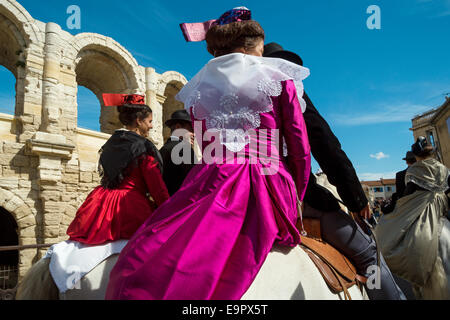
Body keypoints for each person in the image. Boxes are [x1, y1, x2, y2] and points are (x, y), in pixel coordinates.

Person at [106, 7, 311, 300]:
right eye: (262, 46)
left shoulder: (197, 87)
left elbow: (205, 144)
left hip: (210, 176)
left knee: (167, 244)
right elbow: (299, 145)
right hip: (265, 179)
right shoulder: (277, 76)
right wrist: (297, 194)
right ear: (253, 44)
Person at [264, 42, 406, 300]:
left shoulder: (240, 99)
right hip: (296, 198)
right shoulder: (291, 92)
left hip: (246, 198)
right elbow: (325, 145)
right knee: (370, 255)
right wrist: (355, 198)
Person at [67, 94, 170, 245]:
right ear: (139, 121)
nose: (151, 126)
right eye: (149, 121)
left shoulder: (110, 144)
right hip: (130, 204)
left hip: (102, 201)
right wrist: (169, 208)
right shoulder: (143, 146)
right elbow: (157, 187)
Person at [375, 137, 450, 299]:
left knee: (383, 232)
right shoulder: (444, 168)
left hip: (418, 207)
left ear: (416, 156)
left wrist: (391, 206)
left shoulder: (414, 170)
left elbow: (407, 195)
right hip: (441, 206)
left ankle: (377, 275)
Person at [159, 109, 196, 195]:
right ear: (178, 127)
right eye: (191, 130)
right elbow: (193, 179)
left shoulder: (164, 148)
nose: (194, 134)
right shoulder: (184, 148)